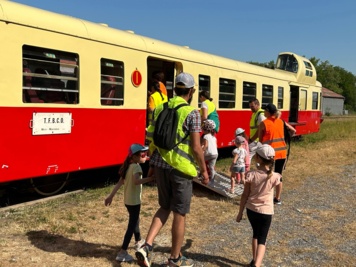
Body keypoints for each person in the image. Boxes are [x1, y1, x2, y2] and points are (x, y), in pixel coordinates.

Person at [136, 72, 209, 267]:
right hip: (180, 170)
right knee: (179, 213)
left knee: (164, 207)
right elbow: (195, 147)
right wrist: (204, 170)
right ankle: (175, 259)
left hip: (160, 165)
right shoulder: (192, 113)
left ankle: (146, 246)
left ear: (174, 89)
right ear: (191, 91)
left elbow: (150, 137)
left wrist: (151, 163)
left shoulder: (160, 107)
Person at [104, 144, 154, 262]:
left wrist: (110, 196)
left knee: (135, 220)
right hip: (135, 201)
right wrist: (151, 178)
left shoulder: (128, 167)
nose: (145, 156)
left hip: (128, 201)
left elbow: (119, 183)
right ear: (134, 157)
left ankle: (138, 241)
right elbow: (137, 181)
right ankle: (122, 252)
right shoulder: (136, 167)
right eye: (142, 154)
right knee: (132, 225)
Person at [236, 143, 281, 267]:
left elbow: (244, 195)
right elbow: (279, 184)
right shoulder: (275, 176)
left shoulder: (251, 175)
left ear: (258, 158)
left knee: (255, 234)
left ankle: (254, 260)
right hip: (266, 212)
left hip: (251, 210)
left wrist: (240, 213)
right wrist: (277, 197)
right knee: (262, 239)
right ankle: (257, 264)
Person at [258, 103, 287, 205]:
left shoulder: (264, 123)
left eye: (265, 110)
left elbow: (260, 141)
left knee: (266, 174)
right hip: (282, 153)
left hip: (269, 154)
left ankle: (265, 197)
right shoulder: (281, 122)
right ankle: (277, 198)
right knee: (278, 175)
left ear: (268, 112)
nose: (263, 112)